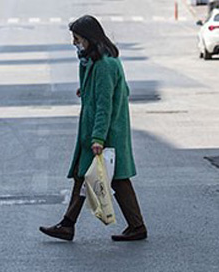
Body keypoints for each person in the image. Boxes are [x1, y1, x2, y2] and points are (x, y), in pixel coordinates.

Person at [39, 15, 147, 242]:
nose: (74, 43)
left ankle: (135, 226)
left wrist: (98, 137)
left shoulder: (104, 65)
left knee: (112, 179)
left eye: (77, 38)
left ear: (89, 37)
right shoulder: (95, 62)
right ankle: (69, 224)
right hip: (101, 131)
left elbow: (104, 105)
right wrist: (87, 89)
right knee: (89, 176)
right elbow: (120, 90)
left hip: (105, 134)